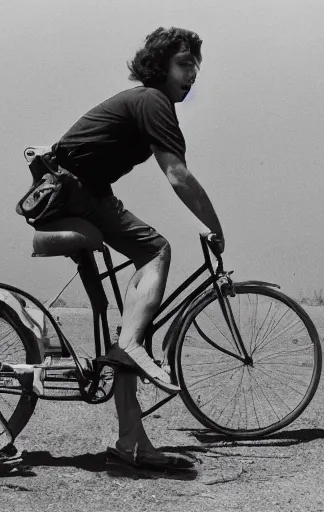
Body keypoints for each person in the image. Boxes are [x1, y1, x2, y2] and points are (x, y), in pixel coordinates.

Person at [45, 27, 223, 470]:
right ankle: (130, 348)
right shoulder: (153, 102)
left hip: (80, 190)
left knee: (130, 327)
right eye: (184, 64)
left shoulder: (148, 104)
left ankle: (132, 441)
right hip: (77, 190)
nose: (193, 74)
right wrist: (215, 226)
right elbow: (178, 176)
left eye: (196, 65)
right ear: (160, 67)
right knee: (156, 251)